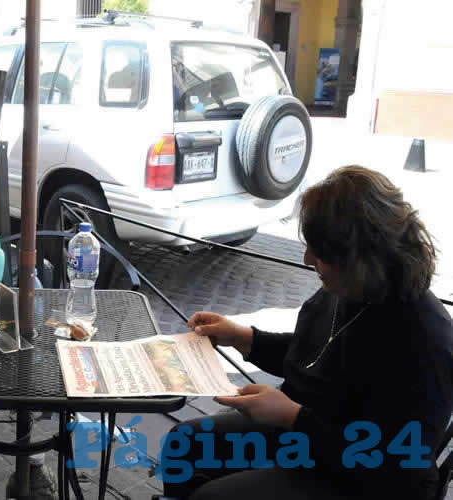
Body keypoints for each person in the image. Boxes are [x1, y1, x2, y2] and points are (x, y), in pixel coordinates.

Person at [162, 165, 453, 500]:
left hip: (365, 479)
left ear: (360, 257)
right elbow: (315, 355)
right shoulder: (350, 286)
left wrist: (292, 416)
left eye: (320, 252)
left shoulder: (423, 343)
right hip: (310, 435)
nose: (306, 258)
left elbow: (398, 467)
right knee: (184, 444)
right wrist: (243, 337)